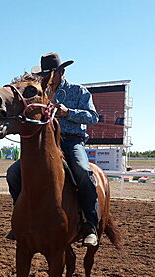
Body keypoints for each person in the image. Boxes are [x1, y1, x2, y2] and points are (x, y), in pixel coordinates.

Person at [6, 52, 100, 247]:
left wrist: (68, 112)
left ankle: (90, 224)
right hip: (46, 143)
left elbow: (93, 117)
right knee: (13, 173)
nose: (46, 77)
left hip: (71, 141)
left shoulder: (79, 91)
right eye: (44, 74)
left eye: (50, 73)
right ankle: (21, 220)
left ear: (61, 72)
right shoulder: (40, 92)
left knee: (83, 172)